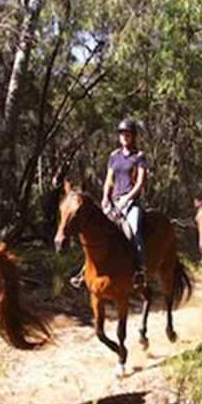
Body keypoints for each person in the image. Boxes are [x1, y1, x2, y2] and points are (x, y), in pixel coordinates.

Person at [69, 118, 148, 290]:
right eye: (122, 134)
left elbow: (140, 182)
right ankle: (84, 272)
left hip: (131, 202)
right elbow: (109, 180)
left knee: (134, 231)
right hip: (113, 201)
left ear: (133, 136)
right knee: (95, 232)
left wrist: (128, 198)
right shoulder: (114, 156)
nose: (124, 137)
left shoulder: (139, 157)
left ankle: (139, 271)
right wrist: (105, 197)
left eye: (127, 134)